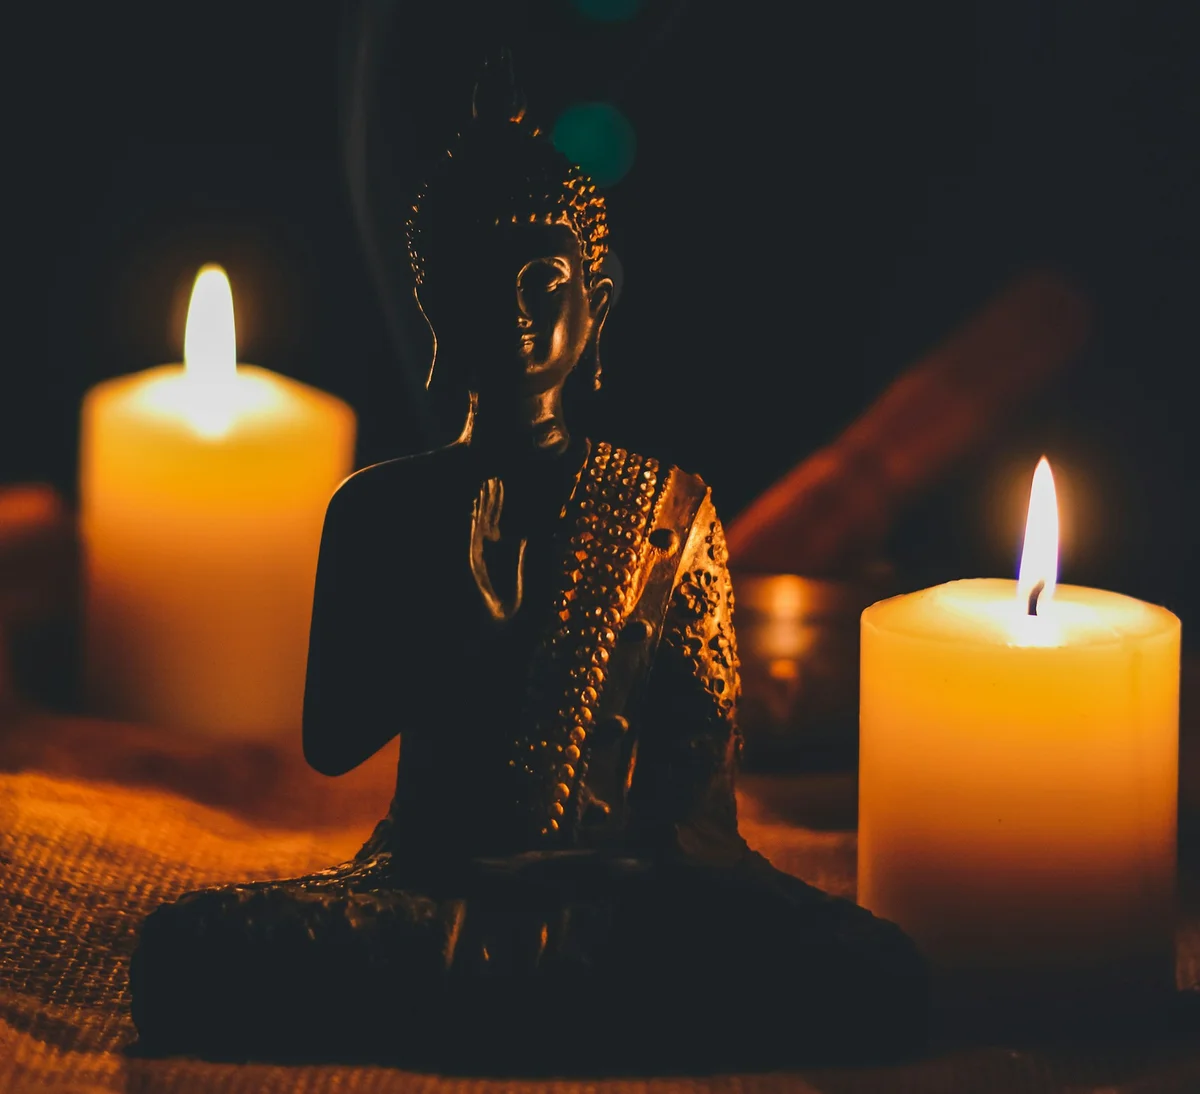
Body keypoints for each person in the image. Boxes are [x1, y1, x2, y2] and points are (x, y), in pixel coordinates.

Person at [131, 55, 926, 1070]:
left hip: (621, 896)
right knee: (185, 951)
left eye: (544, 281)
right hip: (429, 884)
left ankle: (540, 996)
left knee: (870, 967)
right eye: (475, 281)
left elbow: (698, 797)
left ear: (597, 299)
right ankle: (595, 1013)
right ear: (433, 306)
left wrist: (639, 878)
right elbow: (331, 744)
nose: (512, 309)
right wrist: (460, 635)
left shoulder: (669, 508)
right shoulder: (382, 505)